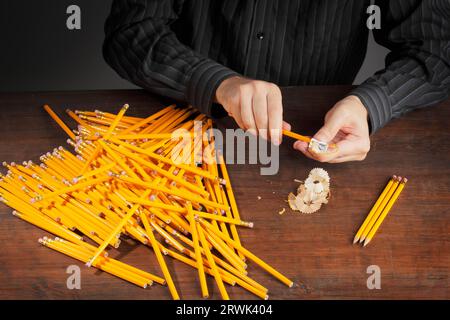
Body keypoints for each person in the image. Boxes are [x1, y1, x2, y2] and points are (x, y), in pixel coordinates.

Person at [103, 0, 450, 163]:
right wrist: (218, 83)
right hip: (186, 132)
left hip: (314, 140)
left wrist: (370, 103)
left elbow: (436, 50)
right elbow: (131, 32)